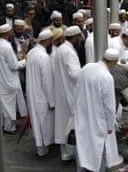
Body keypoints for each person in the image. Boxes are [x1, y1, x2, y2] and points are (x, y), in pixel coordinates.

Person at [75, 48, 119, 172]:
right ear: (114, 62)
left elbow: (77, 89)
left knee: (82, 144)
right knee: (98, 148)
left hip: (82, 113)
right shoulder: (107, 77)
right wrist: (110, 125)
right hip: (98, 118)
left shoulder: (87, 67)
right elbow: (109, 106)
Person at [26, 29, 55, 158]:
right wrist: (52, 101)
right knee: (43, 122)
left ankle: (41, 149)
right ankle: (43, 150)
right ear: (48, 40)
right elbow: (47, 81)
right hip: (42, 94)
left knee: (37, 122)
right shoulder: (43, 57)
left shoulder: (32, 52)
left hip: (33, 92)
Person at [54, 25, 82, 162]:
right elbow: (75, 73)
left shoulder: (60, 49)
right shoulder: (69, 52)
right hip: (70, 91)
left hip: (61, 90)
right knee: (71, 123)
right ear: (76, 37)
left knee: (63, 121)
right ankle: (71, 153)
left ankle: (65, 153)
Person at [0, 24, 27, 135]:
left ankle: (5, 125)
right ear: (8, 33)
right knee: (9, 105)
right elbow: (14, 66)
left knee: (4, 105)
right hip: (9, 79)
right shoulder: (7, 47)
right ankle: (10, 128)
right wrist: (25, 61)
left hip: (1, 79)